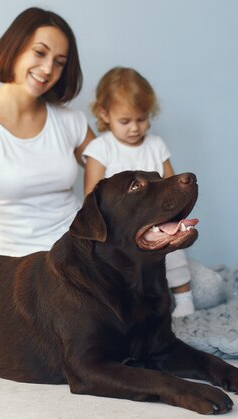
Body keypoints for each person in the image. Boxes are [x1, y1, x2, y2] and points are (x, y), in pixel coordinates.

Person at [0, 8, 95, 310]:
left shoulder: (70, 121)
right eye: (39, 53)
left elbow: (110, 165)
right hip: (21, 270)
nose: (47, 68)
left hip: (81, 256)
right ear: (13, 49)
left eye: (59, 63)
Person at [82, 67, 195, 317]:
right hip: (123, 226)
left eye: (142, 119)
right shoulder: (101, 149)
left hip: (156, 219)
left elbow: (171, 182)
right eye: (125, 121)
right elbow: (92, 197)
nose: (135, 128)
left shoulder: (155, 145)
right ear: (104, 114)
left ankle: (184, 297)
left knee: (174, 254)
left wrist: (173, 216)